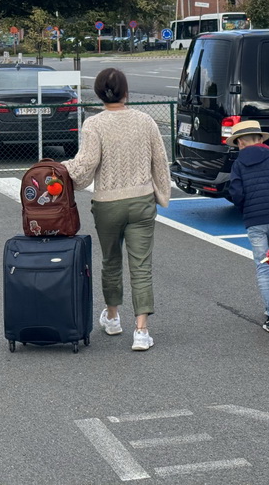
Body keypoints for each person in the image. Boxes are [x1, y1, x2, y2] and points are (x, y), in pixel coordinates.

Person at [63, 67, 170, 352]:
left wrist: (62, 170)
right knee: (141, 266)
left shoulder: (93, 124)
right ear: (126, 92)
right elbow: (160, 160)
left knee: (111, 261)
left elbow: (85, 166)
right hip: (141, 200)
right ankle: (141, 330)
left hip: (107, 203)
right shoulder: (145, 121)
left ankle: (112, 317)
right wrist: (162, 193)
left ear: (99, 94)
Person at [226, 119, 269, 333]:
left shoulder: (238, 163)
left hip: (254, 221)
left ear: (241, 142)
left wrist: (244, 205)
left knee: (263, 266)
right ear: (259, 138)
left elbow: (236, 193)